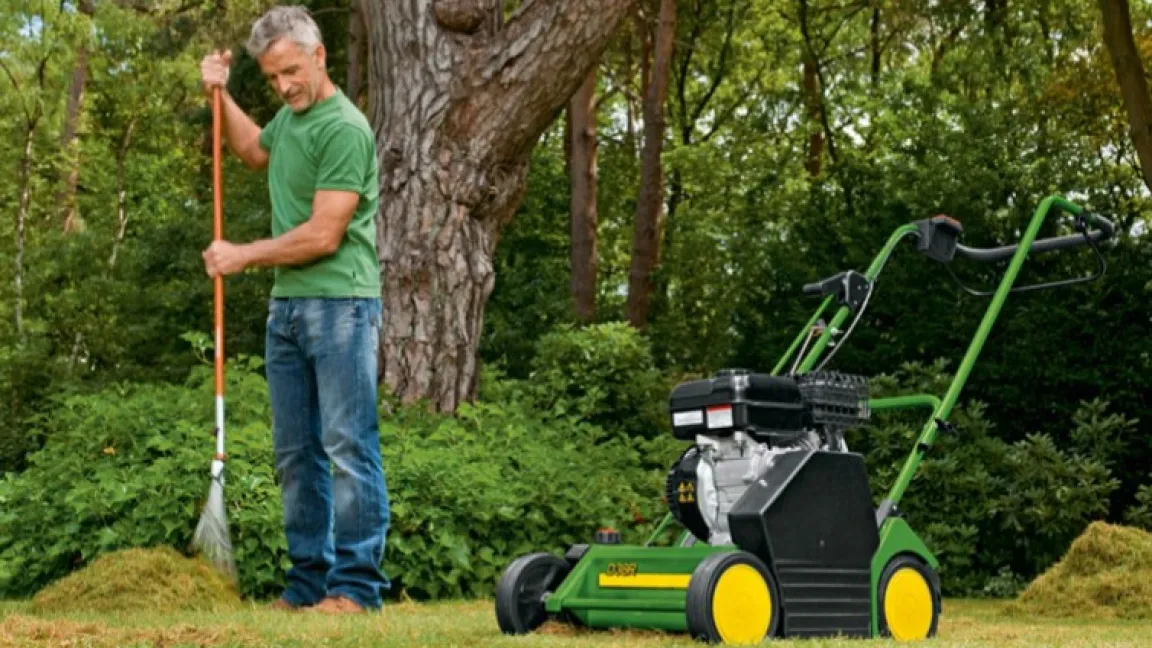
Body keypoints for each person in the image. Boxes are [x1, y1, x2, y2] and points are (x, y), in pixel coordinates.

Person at [198, 5, 389, 615]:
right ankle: (308, 584)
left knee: (346, 447)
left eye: (290, 72)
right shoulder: (291, 119)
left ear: (319, 55)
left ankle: (356, 589)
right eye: (272, 77)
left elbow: (324, 234)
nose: (283, 87)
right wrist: (220, 93)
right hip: (289, 309)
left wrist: (242, 255)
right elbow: (254, 152)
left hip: (342, 307)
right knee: (294, 454)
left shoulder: (345, 128)